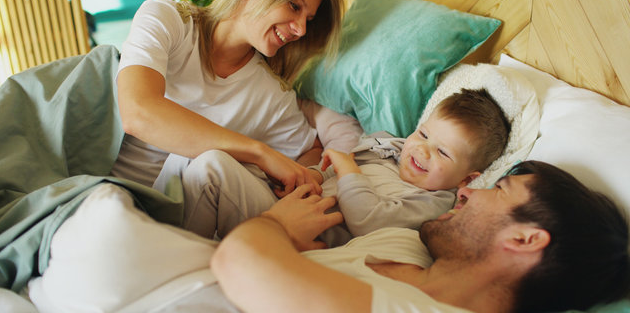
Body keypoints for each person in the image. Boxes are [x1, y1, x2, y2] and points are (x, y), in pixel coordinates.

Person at [210, 160, 630, 313]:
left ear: (524, 240)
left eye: (498, 190)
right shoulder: (404, 243)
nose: (467, 189)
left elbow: (240, 262)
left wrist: (276, 225)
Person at [110, 0, 344, 195]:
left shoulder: (271, 94)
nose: (301, 29)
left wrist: (300, 180)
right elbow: (137, 113)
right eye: (294, 6)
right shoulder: (168, 21)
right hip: (115, 197)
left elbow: (311, 150)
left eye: (308, 19)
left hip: (181, 217)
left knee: (209, 162)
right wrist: (259, 153)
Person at [158, 88, 510, 246]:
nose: (423, 150)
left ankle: (178, 260)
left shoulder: (434, 203)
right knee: (197, 156)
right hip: (290, 201)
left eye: (443, 152)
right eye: (423, 133)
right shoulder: (389, 145)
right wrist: (310, 177)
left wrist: (348, 171)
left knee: (211, 169)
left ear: (468, 178)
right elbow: (327, 169)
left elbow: (368, 221)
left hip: (306, 232)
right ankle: (168, 240)